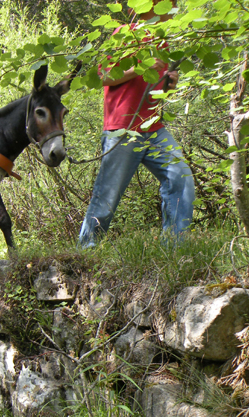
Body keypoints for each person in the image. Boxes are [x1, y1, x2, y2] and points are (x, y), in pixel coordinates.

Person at [77, 1, 195, 249]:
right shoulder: (126, 33)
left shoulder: (162, 42)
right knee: (107, 198)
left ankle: (174, 250)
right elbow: (105, 76)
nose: (172, 9)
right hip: (123, 129)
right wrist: (140, 67)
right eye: (169, 4)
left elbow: (152, 87)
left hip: (154, 128)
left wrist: (169, 84)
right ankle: (85, 252)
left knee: (180, 178)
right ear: (153, 5)